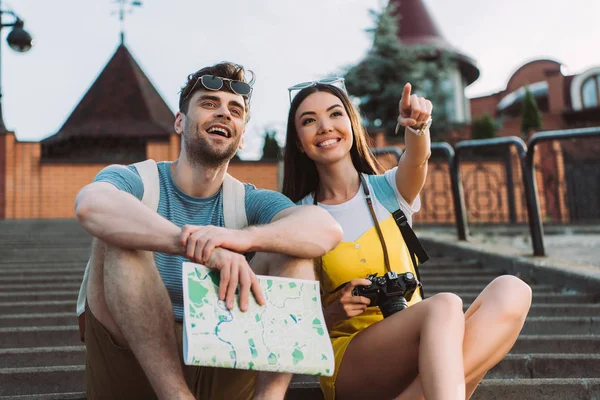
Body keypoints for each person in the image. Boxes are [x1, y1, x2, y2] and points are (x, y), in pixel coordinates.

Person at [74, 62, 343, 400]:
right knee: (119, 235)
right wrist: (201, 249)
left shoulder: (248, 199)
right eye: (209, 103)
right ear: (180, 121)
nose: (223, 114)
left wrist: (242, 239)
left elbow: (326, 229)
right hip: (133, 360)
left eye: (235, 110)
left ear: (243, 135)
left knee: (292, 249)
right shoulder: (136, 179)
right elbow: (90, 205)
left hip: (223, 351)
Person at [282, 79, 532, 400]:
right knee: (445, 306)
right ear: (300, 142)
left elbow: (416, 160)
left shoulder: (388, 191)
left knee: (512, 289)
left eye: (335, 114)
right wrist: (332, 312)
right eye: (308, 120)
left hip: (423, 342)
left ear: (352, 125)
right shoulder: (295, 217)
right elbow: (288, 324)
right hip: (351, 361)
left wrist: (418, 126)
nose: (324, 127)